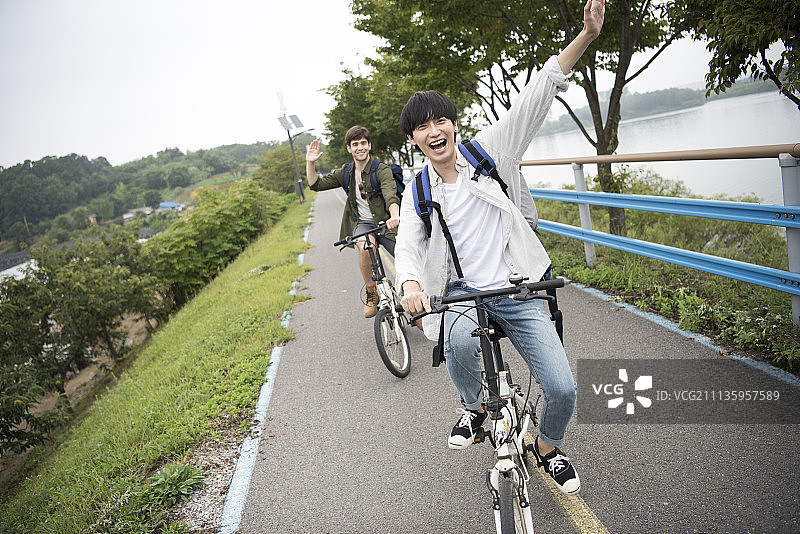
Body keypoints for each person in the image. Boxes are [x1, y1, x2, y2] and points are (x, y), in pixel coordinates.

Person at [395, 0, 605, 495]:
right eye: (422, 127)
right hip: (464, 293)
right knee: (459, 347)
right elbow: (408, 240)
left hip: (519, 287)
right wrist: (407, 282)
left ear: (452, 123)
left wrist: (587, 36)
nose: (434, 131)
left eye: (439, 121)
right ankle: (473, 408)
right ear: (414, 140)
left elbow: (537, 93)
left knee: (562, 388)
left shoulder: (491, 149)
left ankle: (547, 446)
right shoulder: (419, 187)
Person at [306, 126, 401, 318]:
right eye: (355, 144)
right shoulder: (346, 173)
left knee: (405, 258)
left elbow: (391, 195)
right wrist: (310, 163)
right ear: (349, 148)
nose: (360, 147)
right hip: (364, 224)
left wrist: (394, 215)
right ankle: (371, 292)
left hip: (387, 222)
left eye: (363, 143)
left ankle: (411, 297)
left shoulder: (381, 170)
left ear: (369, 145)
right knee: (365, 248)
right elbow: (315, 185)